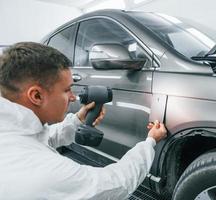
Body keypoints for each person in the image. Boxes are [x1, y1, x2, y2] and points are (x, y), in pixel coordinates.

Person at [0, 42, 167, 200]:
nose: (73, 97)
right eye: (67, 90)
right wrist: (150, 142)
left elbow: (41, 138)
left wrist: (77, 121)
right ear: (36, 96)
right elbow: (115, 184)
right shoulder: (44, 171)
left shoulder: (10, 134)